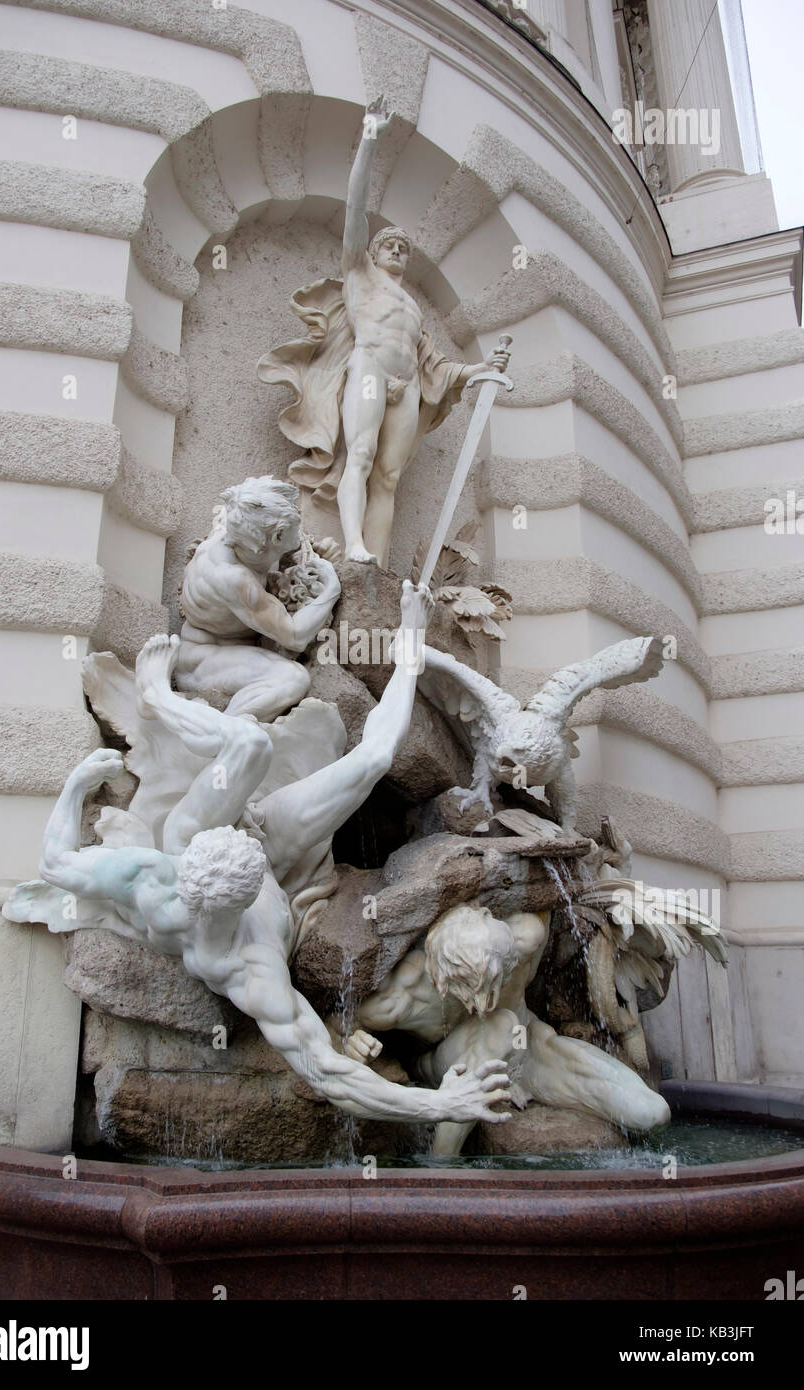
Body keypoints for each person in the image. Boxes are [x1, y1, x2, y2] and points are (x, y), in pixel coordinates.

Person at [35, 585, 512, 1128]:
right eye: (242, 837)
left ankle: (158, 697)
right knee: (360, 758)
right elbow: (328, 1072)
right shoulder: (244, 966)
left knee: (278, 750)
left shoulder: (159, 870)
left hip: (211, 838)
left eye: (241, 834)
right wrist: (439, 1105)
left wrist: (75, 787)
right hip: (255, 855)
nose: (247, 822)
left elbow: (55, 863)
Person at [258, 98, 509, 568]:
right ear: (372, 252)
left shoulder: (412, 308)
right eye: (388, 244)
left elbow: (434, 364)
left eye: (403, 248)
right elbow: (355, 210)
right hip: (370, 369)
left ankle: (379, 563)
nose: (396, 249)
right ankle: (352, 546)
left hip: (407, 383)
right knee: (361, 454)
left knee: (388, 477)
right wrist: (370, 138)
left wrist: (478, 369)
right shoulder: (360, 275)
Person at [344, 899, 670, 1154]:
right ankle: (441, 1161)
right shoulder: (397, 999)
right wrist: (350, 1041)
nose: (483, 1003)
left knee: (651, 1113)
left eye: (495, 982)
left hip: (526, 1050)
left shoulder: (525, 937)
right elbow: (339, 1023)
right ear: (442, 976)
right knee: (500, 1023)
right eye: (472, 991)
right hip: (447, 1067)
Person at [175, 475, 340, 722]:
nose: (301, 528)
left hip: (239, 648)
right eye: (294, 529)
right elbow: (294, 636)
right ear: (276, 538)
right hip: (203, 660)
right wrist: (332, 588)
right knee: (293, 678)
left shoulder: (240, 529)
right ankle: (227, 734)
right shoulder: (233, 578)